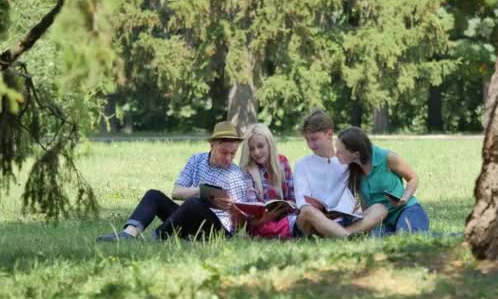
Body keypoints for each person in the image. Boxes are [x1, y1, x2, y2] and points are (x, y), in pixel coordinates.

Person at [96, 121, 257, 242]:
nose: (228, 158)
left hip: (217, 231)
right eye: (224, 152)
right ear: (212, 145)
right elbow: (176, 192)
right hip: (187, 220)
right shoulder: (196, 160)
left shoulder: (236, 175)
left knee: (195, 203)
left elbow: (239, 224)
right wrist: (200, 191)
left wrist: (232, 208)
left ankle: (156, 237)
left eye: (233, 153)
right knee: (154, 195)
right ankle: (129, 234)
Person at [293, 109, 387, 238]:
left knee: (380, 208)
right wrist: (321, 213)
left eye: (314, 139)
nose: (310, 144)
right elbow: (301, 202)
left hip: (341, 219)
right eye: (307, 140)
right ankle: (346, 236)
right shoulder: (302, 165)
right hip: (312, 222)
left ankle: (339, 233)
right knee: (307, 211)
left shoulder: (347, 162)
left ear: (329, 134)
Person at [335, 127, 429, 236]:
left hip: (407, 210)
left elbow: (413, 177)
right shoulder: (354, 170)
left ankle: (450, 237)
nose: (336, 154)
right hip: (384, 220)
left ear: (356, 154)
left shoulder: (387, 157)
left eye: (340, 152)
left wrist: (405, 197)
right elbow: (365, 204)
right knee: (375, 238)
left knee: (406, 236)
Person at [236, 123, 296, 239]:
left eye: (260, 146)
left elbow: (292, 197)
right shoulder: (247, 171)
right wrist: (266, 218)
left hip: (286, 217)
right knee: (267, 228)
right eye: (252, 149)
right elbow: (250, 214)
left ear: (270, 144)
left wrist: (288, 206)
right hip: (261, 223)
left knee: (297, 220)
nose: (256, 153)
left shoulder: (282, 162)